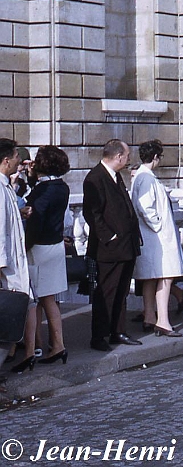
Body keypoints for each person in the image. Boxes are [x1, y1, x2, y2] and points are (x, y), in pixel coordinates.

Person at [82, 139, 142, 352]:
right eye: (126, 156)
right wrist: (110, 237)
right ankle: (99, 335)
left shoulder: (115, 176)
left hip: (126, 245)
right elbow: (92, 213)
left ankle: (118, 331)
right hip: (109, 248)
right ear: (118, 157)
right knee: (106, 292)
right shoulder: (95, 178)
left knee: (121, 290)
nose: (128, 161)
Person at [131, 140, 183, 338]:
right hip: (156, 237)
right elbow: (145, 206)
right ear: (155, 157)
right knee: (165, 276)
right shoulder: (147, 178)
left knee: (151, 278)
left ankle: (149, 316)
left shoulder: (141, 176)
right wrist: (158, 226)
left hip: (150, 237)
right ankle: (162, 320)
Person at [23, 145, 71, 365]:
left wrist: (24, 246)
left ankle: (42, 345)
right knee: (50, 299)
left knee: (40, 300)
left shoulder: (43, 190)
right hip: (56, 245)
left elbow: (35, 222)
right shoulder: (61, 186)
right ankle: (56, 344)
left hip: (40, 248)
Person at [0, 138, 34, 373]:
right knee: (6, 321)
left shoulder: (6, 187)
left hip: (12, 264)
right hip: (7, 268)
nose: (18, 161)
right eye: (15, 157)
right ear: (5, 161)